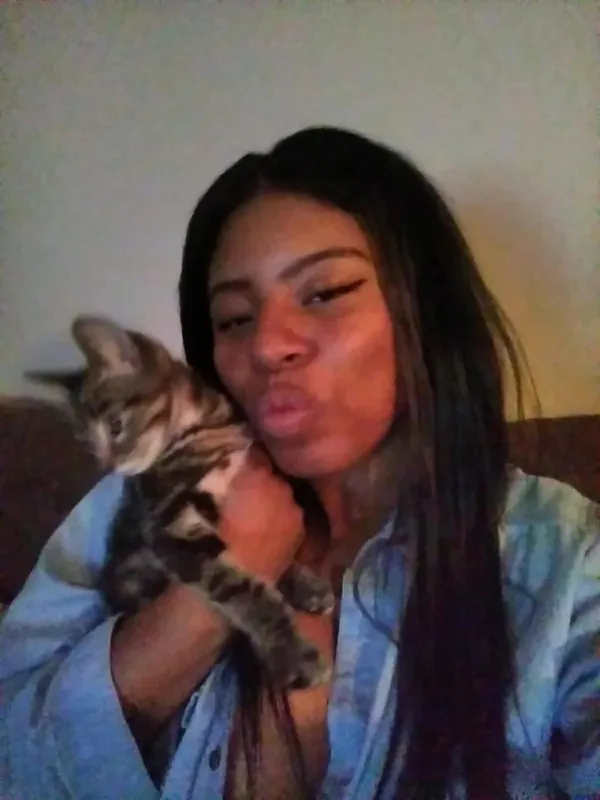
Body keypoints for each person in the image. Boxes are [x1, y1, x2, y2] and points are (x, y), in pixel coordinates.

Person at [1, 126, 598, 800]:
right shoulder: (135, 497)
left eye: (325, 292)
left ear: (425, 309)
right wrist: (213, 591)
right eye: (234, 318)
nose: (267, 346)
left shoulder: (562, 559)